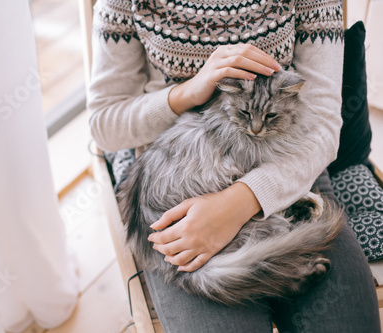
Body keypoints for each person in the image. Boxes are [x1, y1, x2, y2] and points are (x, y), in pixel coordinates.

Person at [88, 0, 381, 331]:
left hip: (290, 169)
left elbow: (324, 123)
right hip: (177, 186)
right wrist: (186, 94)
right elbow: (102, 124)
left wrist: (241, 203)